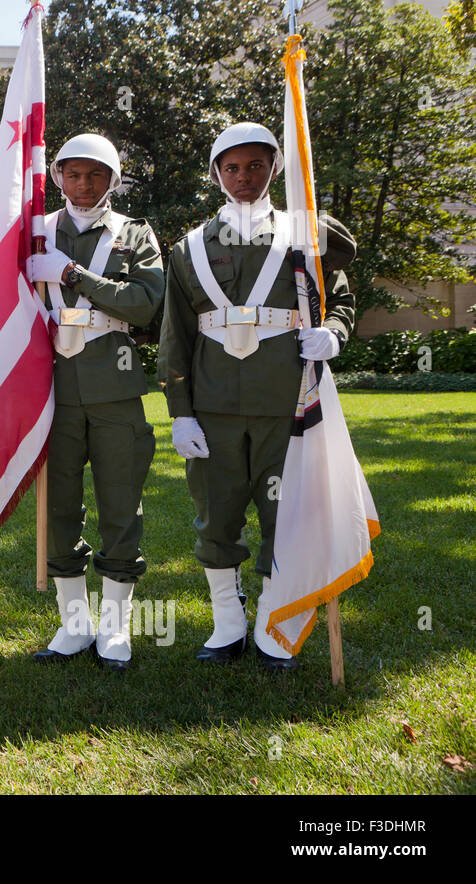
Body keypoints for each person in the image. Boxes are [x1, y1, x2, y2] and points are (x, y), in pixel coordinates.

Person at [157, 122, 355, 671]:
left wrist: (333, 335)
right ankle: (228, 621)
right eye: (232, 167)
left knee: (283, 513)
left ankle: (276, 617)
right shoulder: (190, 248)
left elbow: (340, 292)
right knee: (215, 518)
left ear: (275, 169)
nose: (244, 177)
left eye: (257, 165)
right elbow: (176, 335)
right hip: (214, 407)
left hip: (287, 400)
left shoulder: (303, 234)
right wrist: (180, 414)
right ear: (217, 174)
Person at [25, 134, 164, 671]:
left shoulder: (134, 233)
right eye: (73, 174)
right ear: (57, 176)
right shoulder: (35, 232)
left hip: (115, 388)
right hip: (51, 389)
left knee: (120, 504)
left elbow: (145, 302)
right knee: (59, 507)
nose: (84, 185)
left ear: (113, 179)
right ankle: (73, 626)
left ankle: (115, 629)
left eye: (96, 175)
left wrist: (70, 274)